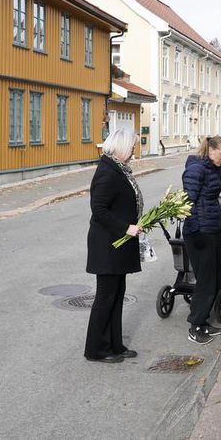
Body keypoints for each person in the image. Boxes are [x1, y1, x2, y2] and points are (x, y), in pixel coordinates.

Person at [84, 129, 142, 363]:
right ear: (122, 146)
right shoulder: (108, 171)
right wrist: (125, 228)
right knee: (106, 297)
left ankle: (115, 345)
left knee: (117, 296)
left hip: (117, 245)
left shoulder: (118, 168)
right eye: (133, 146)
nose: (135, 151)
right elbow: (98, 210)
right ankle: (96, 349)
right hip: (107, 245)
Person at [182, 135, 221, 345]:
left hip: (211, 228)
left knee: (215, 275)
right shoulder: (196, 169)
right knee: (205, 280)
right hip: (199, 231)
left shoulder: (214, 166)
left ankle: (203, 322)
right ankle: (195, 326)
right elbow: (187, 201)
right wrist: (197, 230)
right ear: (210, 150)